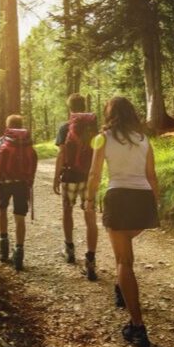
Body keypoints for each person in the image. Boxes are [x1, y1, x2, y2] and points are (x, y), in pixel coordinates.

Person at [86, 96, 160, 347]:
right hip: (142, 199)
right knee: (126, 252)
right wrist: (154, 205)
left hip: (118, 197)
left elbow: (95, 173)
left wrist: (88, 198)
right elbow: (151, 176)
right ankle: (122, 288)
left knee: (123, 262)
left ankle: (137, 327)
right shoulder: (143, 140)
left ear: (110, 114)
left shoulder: (103, 137)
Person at [52, 93, 99, 280]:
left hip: (70, 175)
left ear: (70, 108)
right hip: (88, 176)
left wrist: (56, 177)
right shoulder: (94, 127)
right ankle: (91, 259)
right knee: (90, 216)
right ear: (85, 106)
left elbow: (61, 154)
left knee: (67, 211)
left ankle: (69, 249)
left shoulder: (65, 127)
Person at [0, 114, 39, 271]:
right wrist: (29, 182)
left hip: (4, 183)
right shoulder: (28, 142)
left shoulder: (2, 140)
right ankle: (19, 252)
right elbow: (32, 162)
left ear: (8, 126)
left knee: (2, 210)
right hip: (22, 184)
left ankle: (4, 247)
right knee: (20, 217)